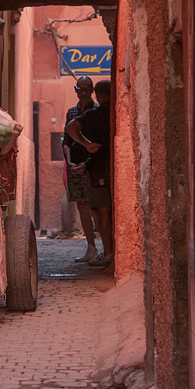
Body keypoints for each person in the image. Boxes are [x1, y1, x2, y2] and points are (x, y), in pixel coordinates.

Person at [66, 79, 114, 266]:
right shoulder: (111, 111)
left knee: (102, 211)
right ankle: (106, 251)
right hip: (102, 167)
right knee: (102, 210)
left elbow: (71, 129)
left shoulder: (95, 112)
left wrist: (87, 144)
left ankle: (108, 252)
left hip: (97, 167)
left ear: (96, 93)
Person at [62, 76, 98, 262]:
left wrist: (88, 161)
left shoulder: (97, 111)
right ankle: (91, 247)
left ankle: (105, 249)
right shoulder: (71, 113)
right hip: (74, 166)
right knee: (82, 206)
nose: (83, 92)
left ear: (92, 91)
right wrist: (69, 162)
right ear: (76, 90)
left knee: (96, 207)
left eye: (87, 89)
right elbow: (66, 141)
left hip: (92, 166)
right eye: (80, 89)